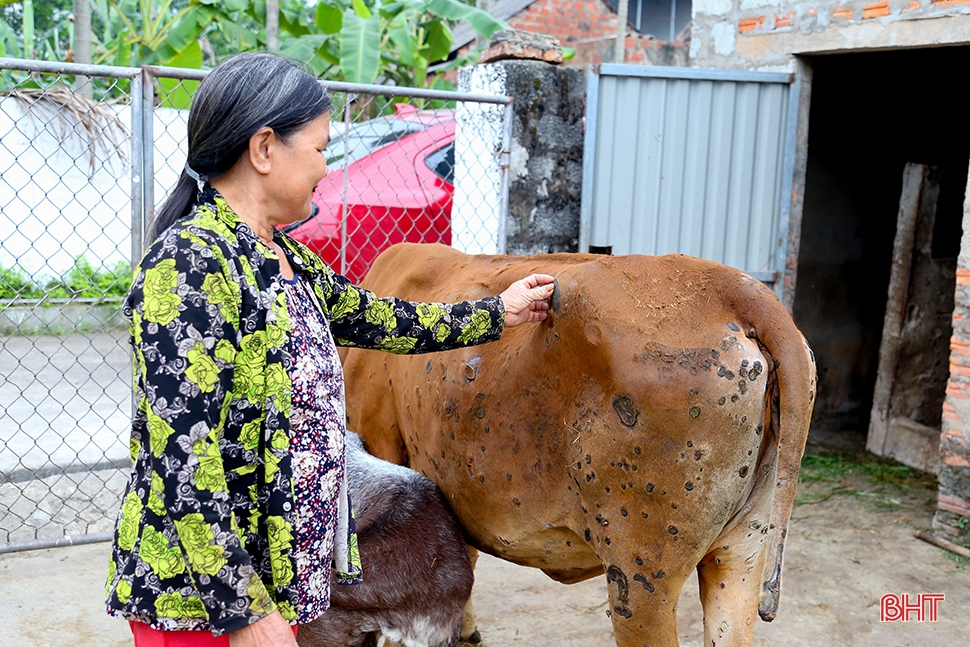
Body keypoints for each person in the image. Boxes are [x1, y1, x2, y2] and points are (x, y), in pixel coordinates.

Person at [105, 52, 555, 647]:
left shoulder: (280, 254)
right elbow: (184, 456)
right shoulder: (188, 266)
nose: (326, 166)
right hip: (202, 599)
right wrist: (243, 610)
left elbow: (383, 320)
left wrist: (500, 312)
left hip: (275, 575)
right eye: (320, 148)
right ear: (264, 149)